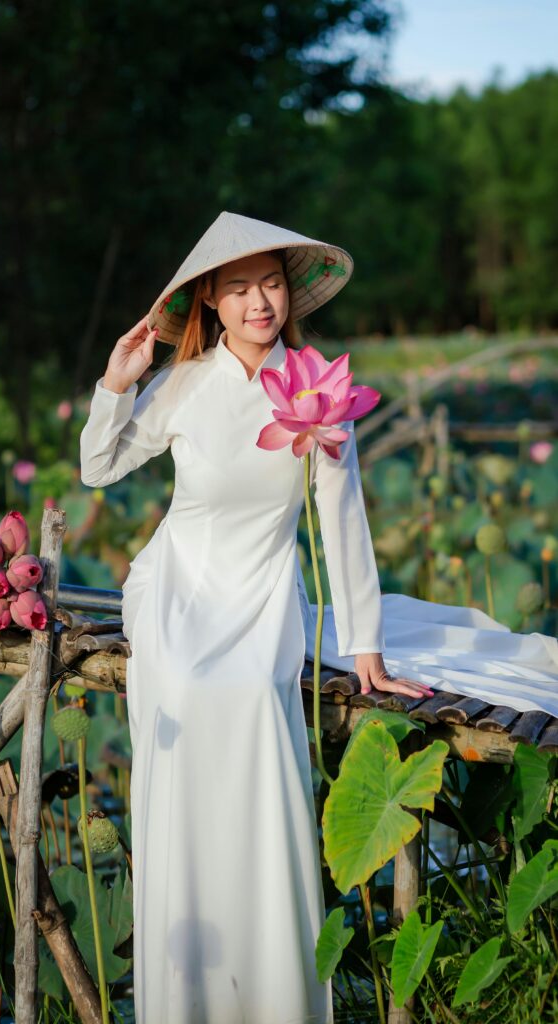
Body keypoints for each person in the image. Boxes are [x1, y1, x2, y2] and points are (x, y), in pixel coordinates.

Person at [79, 211, 558, 1023]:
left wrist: (363, 643)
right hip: (178, 579)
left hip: (264, 587)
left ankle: (265, 969)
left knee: (252, 702)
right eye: (238, 288)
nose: (258, 301)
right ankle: (193, 971)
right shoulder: (186, 383)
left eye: (269, 283)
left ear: (288, 293)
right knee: (190, 685)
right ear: (212, 303)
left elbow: (342, 521)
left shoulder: (313, 386)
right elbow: (99, 468)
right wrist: (116, 383)